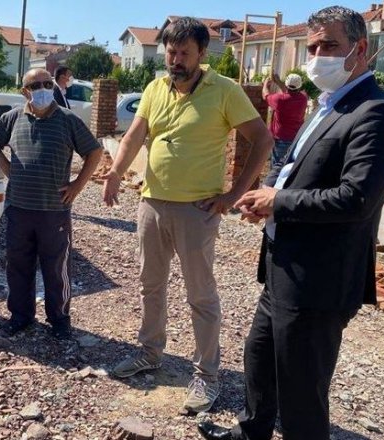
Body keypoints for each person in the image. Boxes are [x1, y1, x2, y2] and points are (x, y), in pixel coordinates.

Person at [199, 6, 384, 440]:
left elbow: (357, 198)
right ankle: (252, 432)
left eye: (328, 46)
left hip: (321, 276)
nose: (317, 56)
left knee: (301, 389)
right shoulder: (329, 104)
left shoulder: (377, 112)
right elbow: (293, 163)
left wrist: (280, 200)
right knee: (260, 359)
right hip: (284, 265)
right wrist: (268, 196)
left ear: (360, 49)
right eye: (312, 47)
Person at [101, 17, 273, 413]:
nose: (175, 60)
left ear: (201, 53)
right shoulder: (155, 88)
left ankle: (207, 376)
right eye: (170, 52)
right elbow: (134, 136)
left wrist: (234, 193)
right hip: (152, 202)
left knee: (200, 295)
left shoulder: (225, 90)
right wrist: (113, 174)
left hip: (197, 211)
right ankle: (149, 352)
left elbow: (262, 139)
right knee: (150, 285)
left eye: (184, 53)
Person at [0, 68, 102, 340]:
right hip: (19, 209)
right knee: (18, 264)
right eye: (36, 85)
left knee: (56, 267)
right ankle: (21, 316)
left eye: (48, 83)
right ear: (25, 91)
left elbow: (94, 152)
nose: (44, 88)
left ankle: (59, 319)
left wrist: (77, 186)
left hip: (54, 212)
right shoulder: (13, 118)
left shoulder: (68, 119)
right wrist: (4, 166)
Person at [262, 72, 308, 167]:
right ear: (299, 86)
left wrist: (265, 84)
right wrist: (278, 81)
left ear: (286, 85)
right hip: (297, 139)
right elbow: (289, 93)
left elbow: (265, 95)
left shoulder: (280, 100)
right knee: (290, 168)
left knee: (277, 169)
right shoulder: (303, 98)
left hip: (281, 140)